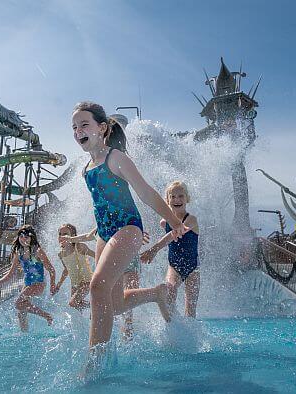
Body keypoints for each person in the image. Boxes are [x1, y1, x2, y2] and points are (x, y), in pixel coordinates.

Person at [71, 101, 189, 353]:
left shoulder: (115, 157)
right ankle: (157, 294)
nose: (78, 131)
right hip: (105, 233)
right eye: (74, 127)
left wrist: (175, 220)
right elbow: (103, 205)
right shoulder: (86, 169)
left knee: (97, 287)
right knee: (114, 303)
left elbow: (145, 192)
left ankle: (95, 362)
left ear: (102, 128)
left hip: (127, 227)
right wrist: (92, 233)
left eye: (84, 124)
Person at [60, 227, 150, 340]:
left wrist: (139, 234)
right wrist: (71, 239)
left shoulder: (122, 218)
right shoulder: (102, 223)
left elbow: (133, 228)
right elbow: (88, 236)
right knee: (112, 304)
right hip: (110, 265)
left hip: (129, 262)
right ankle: (108, 339)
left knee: (127, 313)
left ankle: (128, 342)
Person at [140, 181, 200, 318]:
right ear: (167, 200)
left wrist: (153, 250)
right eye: (172, 197)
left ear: (187, 198)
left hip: (193, 268)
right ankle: (173, 325)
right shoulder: (164, 222)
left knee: (190, 311)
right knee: (169, 292)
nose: (177, 200)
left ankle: (188, 333)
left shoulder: (191, 220)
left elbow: (174, 234)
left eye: (181, 196)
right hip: (174, 266)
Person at [0, 225, 56, 331]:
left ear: (32, 238)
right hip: (27, 284)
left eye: (27, 236)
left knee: (18, 303)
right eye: (21, 236)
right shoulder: (18, 253)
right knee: (21, 312)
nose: (24, 239)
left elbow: (51, 269)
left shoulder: (37, 251)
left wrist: (52, 286)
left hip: (38, 284)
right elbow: (11, 274)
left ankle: (47, 316)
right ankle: (24, 334)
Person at [53, 223, 95, 311]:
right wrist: (59, 285)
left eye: (65, 234)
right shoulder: (61, 254)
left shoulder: (79, 247)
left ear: (73, 236)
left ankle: (98, 306)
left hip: (86, 281)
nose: (61, 236)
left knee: (72, 303)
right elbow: (66, 270)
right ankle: (95, 309)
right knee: (76, 308)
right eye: (60, 234)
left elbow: (96, 255)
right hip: (75, 284)